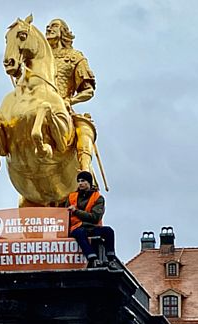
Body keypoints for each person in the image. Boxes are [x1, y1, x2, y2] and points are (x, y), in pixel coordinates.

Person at [46, 19, 97, 173]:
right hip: (37, 102)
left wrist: (70, 100)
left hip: (62, 106)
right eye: (47, 26)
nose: (48, 28)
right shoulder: (37, 58)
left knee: (85, 128)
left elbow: (88, 90)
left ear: (64, 32)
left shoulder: (75, 57)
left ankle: (85, 168)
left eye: (54, 26)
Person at [66, 171, 116, 268]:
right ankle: (93, 259)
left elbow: (95, 217)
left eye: (83, 181)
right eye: (79, 181)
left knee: (109, 231)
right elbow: (65, 214)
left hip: (92, 228)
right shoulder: (71, 197)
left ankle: (111, 259)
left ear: (89, 182)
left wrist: (76, 212)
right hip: (76, 228)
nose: (80, 183)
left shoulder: (98, 198)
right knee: (79, 233)